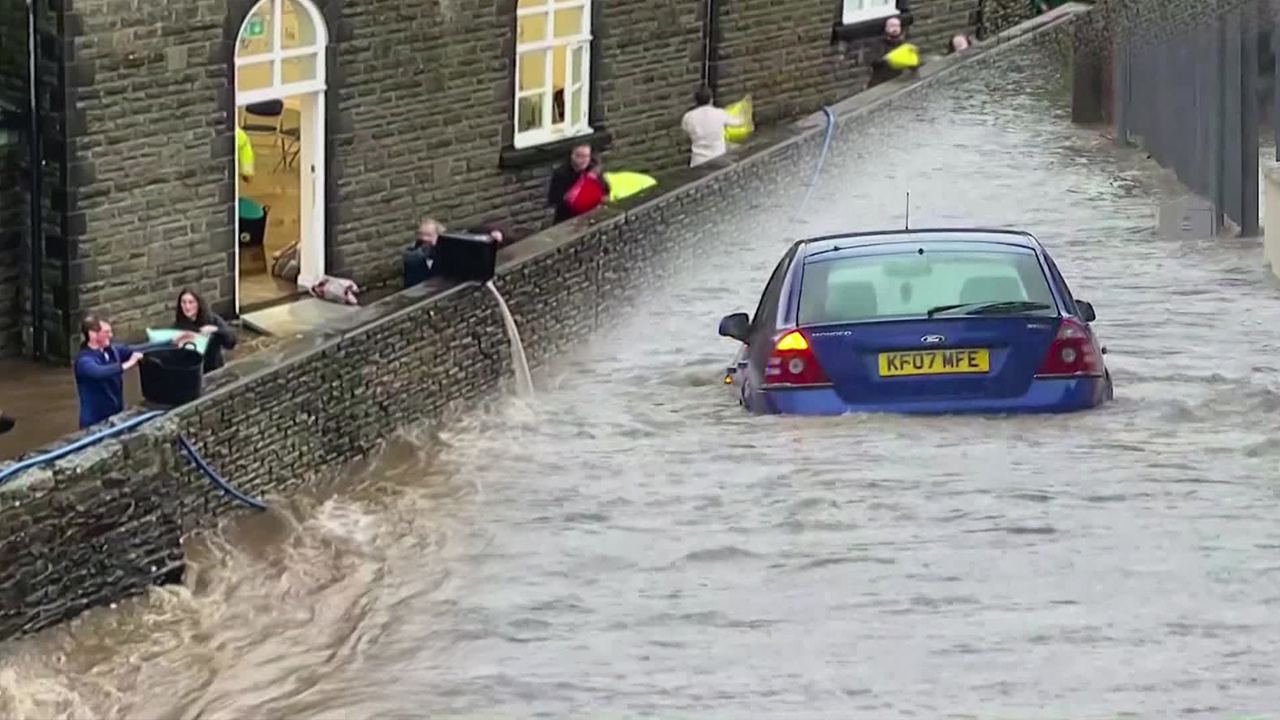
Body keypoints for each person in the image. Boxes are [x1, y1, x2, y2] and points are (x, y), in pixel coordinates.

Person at [74, 315, 174, 429]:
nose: (110, 336)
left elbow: (139, 348)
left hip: (115, 415)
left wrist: (170, 342)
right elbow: (100, 372)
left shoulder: (113, 350)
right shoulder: (84, 361)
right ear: (92, 334)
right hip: (93, 422)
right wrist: (129, 363)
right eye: (106, 332)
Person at [173, 288, 238, 373]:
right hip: (193, 373)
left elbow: (231, 341)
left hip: (214, 370)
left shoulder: (211, 319)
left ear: (198, 304)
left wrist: (215, 330)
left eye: (191, 302)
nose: (187, 307)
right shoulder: (177, 326)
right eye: (183, 302)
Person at [681, 85, 746, 167]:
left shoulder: (688, 117)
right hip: (718, 159)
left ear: (696, 101)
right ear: (711, 100)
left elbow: (686, 134)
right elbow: (739, 122)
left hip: (698, 161)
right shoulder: (720, 113)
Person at [546, 143, 610, 224]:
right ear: (571, 155)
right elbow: (553, 200)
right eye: (579, 156)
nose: (582, 160)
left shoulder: (594, 169)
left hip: (591, 217)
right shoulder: (561, 173)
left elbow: (606, 191)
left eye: (586, 156)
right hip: (568, 219)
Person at [403, 216, 445, 287]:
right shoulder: (412, 255)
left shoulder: (445, 254)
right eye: (420, 234)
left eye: (429, 235)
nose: (424, 238)